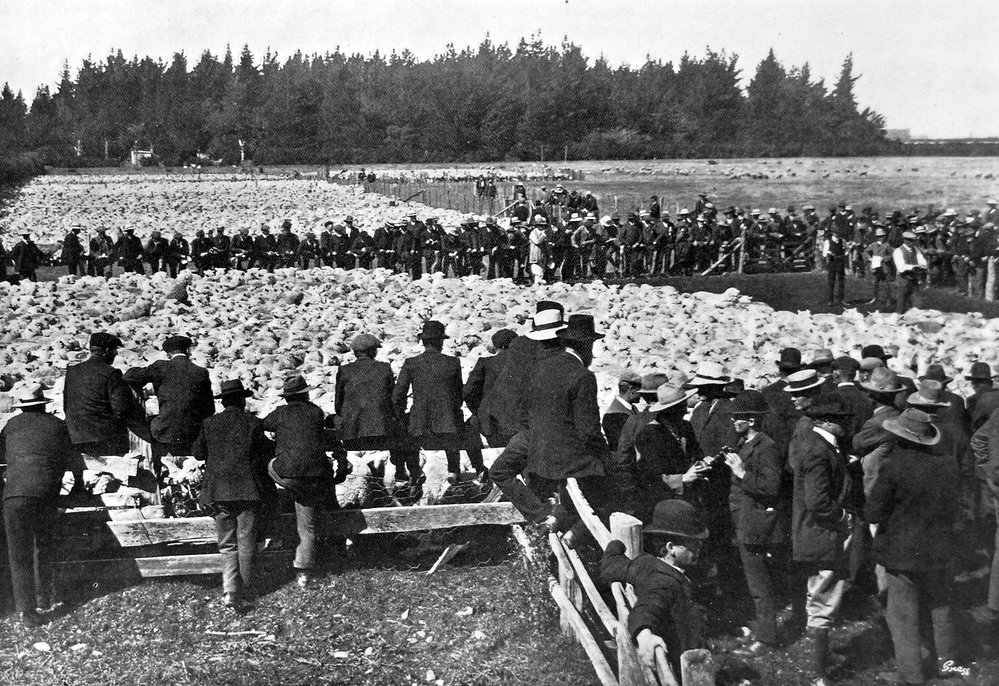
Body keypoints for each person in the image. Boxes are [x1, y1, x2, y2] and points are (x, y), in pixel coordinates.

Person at [866, 409, 963, 684]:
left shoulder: (893, 466)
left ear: (900, 438)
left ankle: (911, 674)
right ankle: (948, 665)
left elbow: (873, 512)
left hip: (903, 552)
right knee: (941, 608)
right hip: (940, 549)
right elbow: (957, 508)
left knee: (903, 615)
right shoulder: (948, 465)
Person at [788, 393, 854, 686]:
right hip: (822, 533)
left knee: (822, 597)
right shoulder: (819, 451)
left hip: (820, 532)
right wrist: (843, 517)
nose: (846, 425)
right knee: (823, 600)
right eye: (841, 420)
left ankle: (820, 665)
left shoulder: (821, 446)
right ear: (826, 421)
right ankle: (818, 673)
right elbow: (817, 502)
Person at [191, 380, 274, 610]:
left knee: (227, 544)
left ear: (223, 402)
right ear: (242, 400)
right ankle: (246, 589)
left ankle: (230, 591)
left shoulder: (209, 423)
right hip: (248, 491)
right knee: (246, 542)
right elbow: (267, 451)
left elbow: (198, 453)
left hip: (218, 491)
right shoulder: (253, 423)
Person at [601, 499, 708, 676]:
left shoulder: (645, 563)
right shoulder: (666, 584)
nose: (699, 546)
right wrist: (644, 635)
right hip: (685, 668)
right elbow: (648, 608)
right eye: (692, 542)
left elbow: (610, 566)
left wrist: (616, 545)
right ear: (671, 548)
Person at [0, 384, 78, 626]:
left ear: (22, 407)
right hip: (44, 493)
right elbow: (69, 455)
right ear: (43, 404)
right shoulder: (57, 425)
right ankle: (45, 597)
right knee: (42, 545)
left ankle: (27, 611)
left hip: (14, 495)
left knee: (18, 552)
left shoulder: (11, 425)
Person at [265, 375, 350, 589]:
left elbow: (264, 424)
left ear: (286, 397)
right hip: (315, 475)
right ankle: (304, 572)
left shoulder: (280, 413)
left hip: (286, 475)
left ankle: (279, 499)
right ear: (306, 394)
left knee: (271, 466)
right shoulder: (316, 412)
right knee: (307, 524)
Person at [724, 390, 787, 654]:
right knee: (755, 582)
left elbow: (771, 486)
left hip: (754, 524)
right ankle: (763, 632)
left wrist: (740, 472)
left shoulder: (766, 447)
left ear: (751, 420)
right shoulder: (746, 442)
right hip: (744, 520)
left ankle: (767, 639)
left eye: (736, 417)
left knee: (760, 584)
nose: (732, 421)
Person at [393, 320, 485, 483]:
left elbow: (398, 396)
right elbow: (458, 395)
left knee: (404, 426)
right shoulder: (453, 362)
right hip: (449, 427)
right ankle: (459, 470)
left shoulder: (410, 363)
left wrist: (402, 416)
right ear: (441, 341)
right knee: (458, 421)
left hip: (420, 427)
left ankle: (414, 470)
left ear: (423, 342)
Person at [335, 333, 421, 494]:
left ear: (355, 352)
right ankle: (404, 470)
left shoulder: (344, 370)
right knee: (403, 430)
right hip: (382, 433)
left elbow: (338, 405)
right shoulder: (384, 368)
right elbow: (393, 400)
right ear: (373, 351)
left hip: (352, 435)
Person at [63, 332, 140, 482]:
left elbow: (66, 404)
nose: (116, 353)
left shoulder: (72, 371)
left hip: (76, 435)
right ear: (106, 351)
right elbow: (121, 409)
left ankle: (79, 485)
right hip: (104, 438)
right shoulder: (111, 373)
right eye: (114, 349)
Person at [123, 335, 215, 459]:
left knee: (150, 423)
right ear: (188, 351)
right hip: (194, 431)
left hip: (166, 429)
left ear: (168, 354)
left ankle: (151, 460)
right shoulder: (201, 371)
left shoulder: (160, 366)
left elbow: (129, 376)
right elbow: (210, 409)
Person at [463, 329, 518, 450]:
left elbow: (468, 392)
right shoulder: (527, 363)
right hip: (520, 427)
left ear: (496, 345)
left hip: (490, 424)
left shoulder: (485, 363)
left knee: (470, 425)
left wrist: (479, 411)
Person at [602, 370, 644, 453]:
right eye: (640, 391)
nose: (642, 395)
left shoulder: (632, 408)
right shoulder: (613, 416)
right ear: (631, 390)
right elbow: (622, 448)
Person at [893, 230, 928, 313]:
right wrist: (914, 267)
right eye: (910, 240)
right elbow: (901, 267)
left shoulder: (915, 249)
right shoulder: (898, 251)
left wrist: (922, 265)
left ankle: (912, 317)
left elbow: (922, 261)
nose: (912, 242)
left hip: (914, 278)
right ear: (905, 240)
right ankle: (899, 316)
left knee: (915, 302)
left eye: (913, 240)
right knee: (901, 302)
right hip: (903, 279)